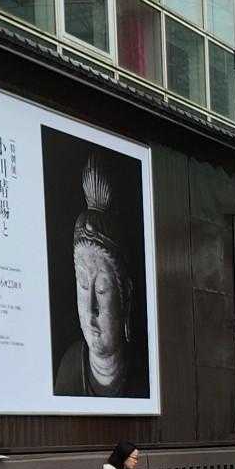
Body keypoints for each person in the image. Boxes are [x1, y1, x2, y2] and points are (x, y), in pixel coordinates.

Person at [55, 158, 148, 398]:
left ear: (125, 298)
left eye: (102, 290)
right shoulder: (69, 368)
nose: (91, 308)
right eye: (84, 286)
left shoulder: (144, 372)